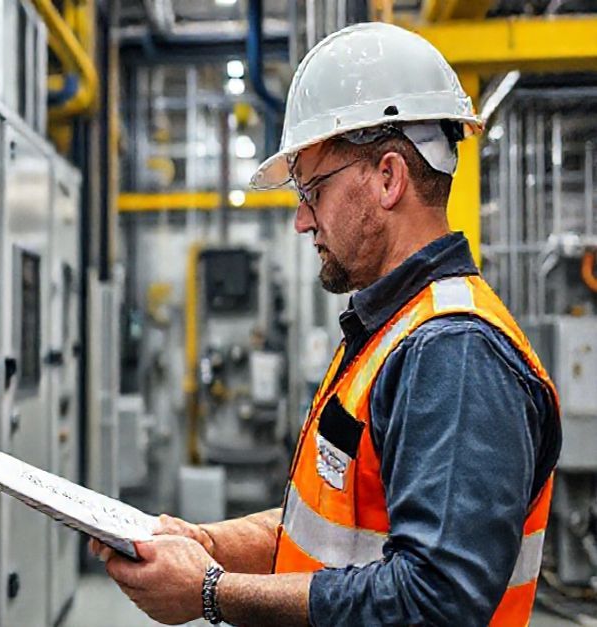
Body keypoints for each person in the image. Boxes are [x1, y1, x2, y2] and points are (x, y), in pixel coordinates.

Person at [92, 21, 562, 627]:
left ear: (388, 179)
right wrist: (205, 545)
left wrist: (211, 592)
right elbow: (333, 531)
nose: (302, 221)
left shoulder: (453, 352)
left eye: (311, 189)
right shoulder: (391, 332)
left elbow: (433, 603)